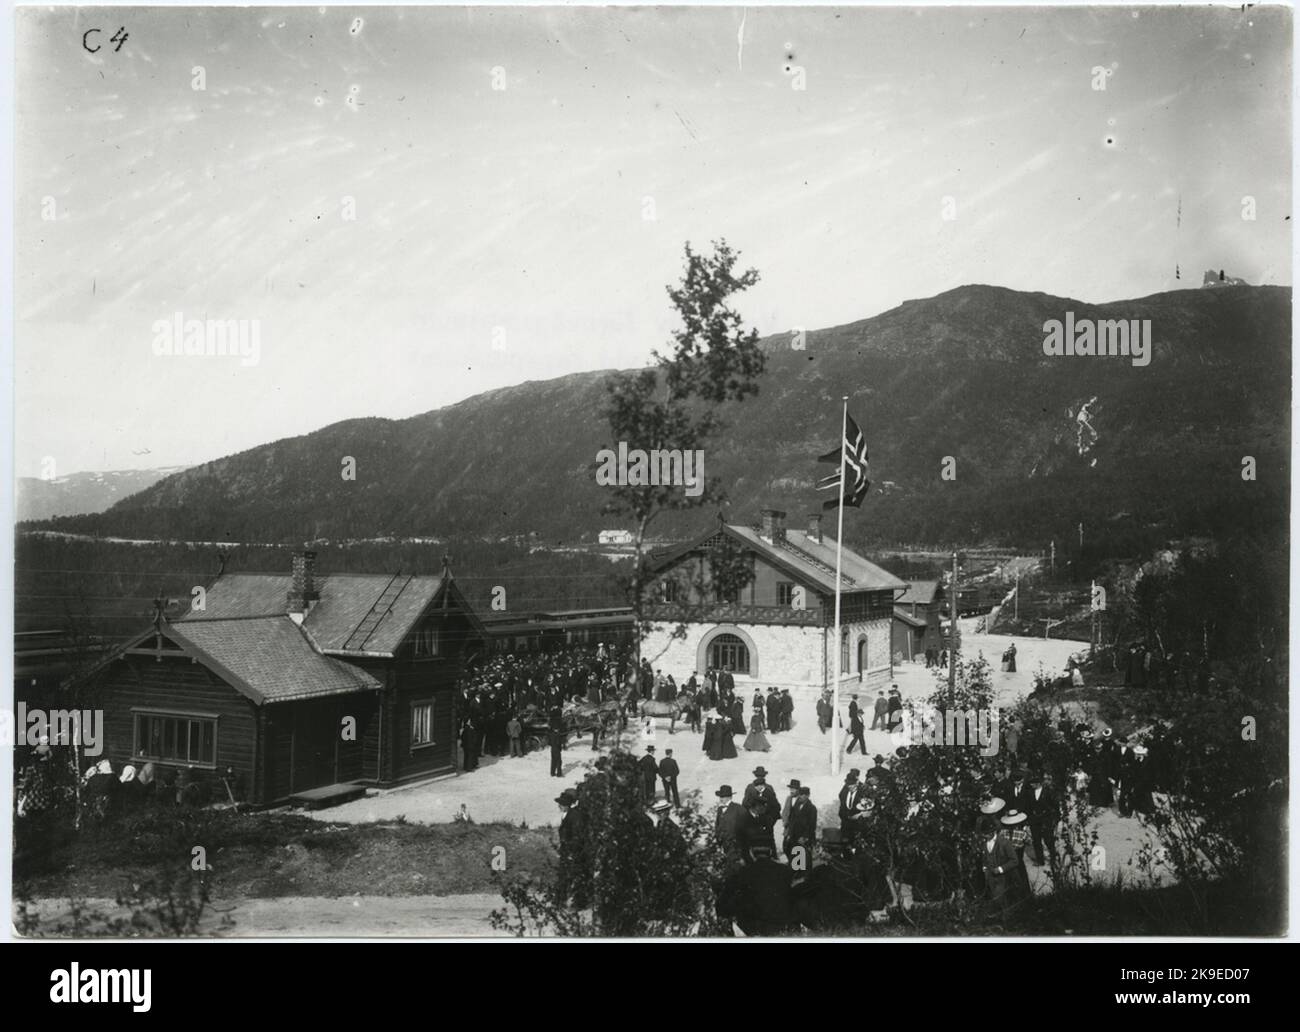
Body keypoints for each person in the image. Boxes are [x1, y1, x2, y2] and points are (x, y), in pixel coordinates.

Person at [716, 844, 798, 936]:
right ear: (770, 852)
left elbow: (723, 906)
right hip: (783, 927)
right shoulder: (785, 871)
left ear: (751, 852)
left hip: (754, 929)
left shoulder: (743, 873)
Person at [980, 817, 1020, 907]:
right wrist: (985, 868)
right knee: (995, 900)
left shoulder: (1004, 843)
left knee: (1006, 902)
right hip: (991, 878)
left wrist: (1001, 869)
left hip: (1004, 878)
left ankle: (1007, 918)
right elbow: (984, 858)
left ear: (992, 832)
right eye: (983, 834)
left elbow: (1015, 861)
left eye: (986, 834)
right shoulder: (984, 843)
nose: (984, 836)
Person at [1023, 771, 1058, 869]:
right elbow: (1028, 807)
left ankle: (1053, 859)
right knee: (1036, 841)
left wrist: (1055, 819)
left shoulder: (1047, 792)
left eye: (1033, 783)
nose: (1031, 785)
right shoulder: (1030, 793)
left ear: (1038, 783)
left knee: (1049, 840)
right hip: (1034, 820)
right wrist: (1028, 820)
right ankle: (1040, 860)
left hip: (1046, 819)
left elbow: (1054, 806)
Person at [999, 809, 1033, 900]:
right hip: (1018, 859)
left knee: (1008, 880)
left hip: (1007, 860)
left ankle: (1011, 899)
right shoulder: (1022, 833)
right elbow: (1029, 842)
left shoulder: (1003, 832)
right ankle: (1026, 897)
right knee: (1022, 877)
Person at [784, 785, 817, 864]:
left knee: (803, 860)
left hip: (803, 838)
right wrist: (789, 833)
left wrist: (805, 837)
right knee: (794, 859)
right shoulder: (796, 806)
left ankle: (803, 875)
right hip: (794, 836)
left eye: (802, 795)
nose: (800, 797)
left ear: (808, 796)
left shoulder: (812, 808)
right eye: (799, 795)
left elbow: (812, 825)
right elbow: (792, 820)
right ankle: (795, 873)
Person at [715, 785, 747, 855]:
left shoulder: (738, 808)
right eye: (720, 797)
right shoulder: (720, 809)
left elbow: (745, 826)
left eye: (723, 797)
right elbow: (717, 826)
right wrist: (719, 843)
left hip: (736, 846)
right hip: (723, 845)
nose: (721, 799)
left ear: (729, 797)